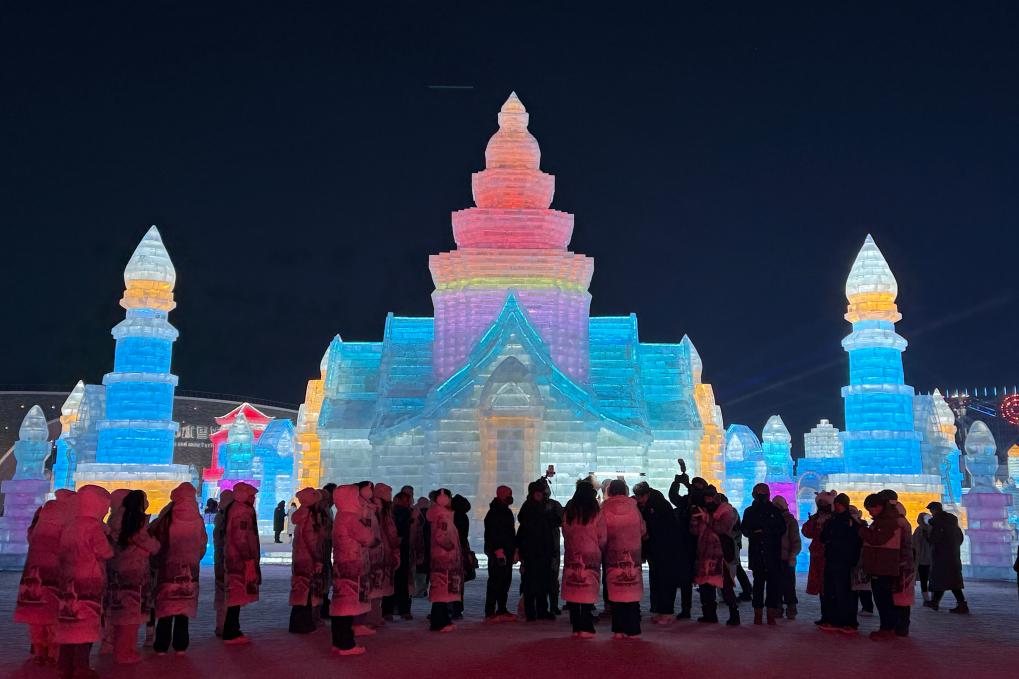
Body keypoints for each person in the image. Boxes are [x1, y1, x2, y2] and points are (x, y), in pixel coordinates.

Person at [53, 485, 113, 679]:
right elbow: (106, 552)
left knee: (69, 624)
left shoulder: (69, 525)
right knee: (86, 625)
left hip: (68, 579)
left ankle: (64, 665)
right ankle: (81, 667)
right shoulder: (93, 527)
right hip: (89, 580)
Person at [151, 482, 207, 655]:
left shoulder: (168, 515)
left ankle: (161, 645)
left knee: (166, 607)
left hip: (168, 569)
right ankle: (181, 644)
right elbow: (202, 544)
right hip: (190, 570)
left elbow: (156, 536)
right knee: (184, 608)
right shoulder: (197, 519)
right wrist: (194, 559)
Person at [106, 490, 160, 664]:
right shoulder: (136, 524)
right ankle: (126, 651)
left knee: (120, 613)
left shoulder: (114, 521)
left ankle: (118, 647)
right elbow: (152, 546)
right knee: (131, 616)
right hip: (135, 573)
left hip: (117, 572)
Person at [14, 499, 66, 665]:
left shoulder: (36, 532)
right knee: (52, 619)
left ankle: (39, 652)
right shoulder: (61, 532)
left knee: (36, 621)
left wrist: (36, 519)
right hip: (52, 582)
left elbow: (30, 533)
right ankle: (52, 652)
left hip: (33, 580)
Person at [330, 484, 376, 656]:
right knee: (348, 605)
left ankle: (338, 641)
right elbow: (367, 537)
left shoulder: (341, 516)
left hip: (342, 563)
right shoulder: (350, 518)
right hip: (353, 563)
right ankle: (346, 644)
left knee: (341, 602)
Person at [858, 493, 908, 640]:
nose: (869, 512)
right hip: (880, 564)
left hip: (883, 565)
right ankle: (888, 626)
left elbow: (877, 539)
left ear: (879, 506)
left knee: (884, 599)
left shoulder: (888, 521)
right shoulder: (884, 520)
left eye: (871, 509)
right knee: (882, 598)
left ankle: (887, 628)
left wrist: (862, 529)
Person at [635, 483, 685, 625]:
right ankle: (660, 610)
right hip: (657, 550)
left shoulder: (658, 505)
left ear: (647, 494)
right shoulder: (653, 505)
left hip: (665, 549)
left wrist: (647, 536)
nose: (639, 500)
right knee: (657, 580)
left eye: (641, 497)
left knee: (664, 580)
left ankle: (666, 611)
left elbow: (661, 529)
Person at [561, 479, 606, 638]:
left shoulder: (569, 512)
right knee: (588, 587)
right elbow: (602, 536)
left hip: (572, 553)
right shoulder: (596, 512)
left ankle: (576, 624)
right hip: (591, 554)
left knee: (574, 587)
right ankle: (586, 625)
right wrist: (599, 547)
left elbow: (565, 532)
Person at [690, 485, 740, 625]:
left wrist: (706, 518)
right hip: (704, 553)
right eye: (706, 498)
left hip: (720, 555)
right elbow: (694, 531)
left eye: (710, 497)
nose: (708, 500)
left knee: (726, 586)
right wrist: (695, 519)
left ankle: (734, 615)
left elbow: (722, 529)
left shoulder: (726, 511)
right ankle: (709, 615)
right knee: (705, 586)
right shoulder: (703, 510)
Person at [603, 479, 645, 639]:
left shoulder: (604, 508)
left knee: (616, 592)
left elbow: (601, 532)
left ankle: (618, 629)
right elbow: (642, 529)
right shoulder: (634, 508)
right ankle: (633, 628)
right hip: (633, 555)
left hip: (613, 555)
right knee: (632, 591)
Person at [741, 483, 787, 625]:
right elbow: (745, 529)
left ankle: (770, 614)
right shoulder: (750, 511)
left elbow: (782, 529)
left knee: (772, 586)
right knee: (758, 585)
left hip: (772, 553)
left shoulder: (774, 511)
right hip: (758, 553)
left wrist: (766, 532)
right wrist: (755, 533)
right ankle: (758, 614)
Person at [819, 493, 862, 635]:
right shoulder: (832, 520)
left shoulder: (851, 522)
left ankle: (848, 621)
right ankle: (833, 619)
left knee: (845, 592)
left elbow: (855, 541)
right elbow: (823, 537)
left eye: (840, 504)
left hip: (845, 561)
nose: (837, 507)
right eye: (836, 504)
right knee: (831, 591)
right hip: (832, 559)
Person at [223, 482, 260, 645]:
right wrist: (248, 559)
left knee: (236, 595)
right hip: (239, 560)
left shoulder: (234, 509)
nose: (254, 499)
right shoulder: (242, 512)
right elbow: (240, 538)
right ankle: (231, 631)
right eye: (252, 496)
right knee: (237, 595)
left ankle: (233, 629)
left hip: (235, 558)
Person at [516, 480, 559, 621]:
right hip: (532, 551)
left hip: (542, 550)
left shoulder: (541, 507)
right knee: (531, 582)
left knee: (542, 582)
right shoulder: (531, 508)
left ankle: (541, 610)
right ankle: (531, 611)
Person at [427, 488, 463, 632]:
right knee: (442, 590)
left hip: (443, 557)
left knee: (442, 590)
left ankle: (443, 620)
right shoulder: (443, 517)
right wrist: (450, 547)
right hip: (444, 559)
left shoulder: (443, 515)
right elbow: (441, 536)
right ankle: (439, 622)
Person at [289, 487, 324, 633]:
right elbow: (311, 540)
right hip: (308, 559)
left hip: (300, 558)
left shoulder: (302, 516)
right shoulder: (310, 517)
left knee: (300, 590)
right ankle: (303, 623)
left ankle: (297, 622)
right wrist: (317, 558)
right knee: (306, 591)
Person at [925, 501, 967, 613]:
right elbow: (960, 539)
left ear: (934, 510)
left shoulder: (938, 524)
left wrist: (926, 535)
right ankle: (936, 602)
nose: (931, 512)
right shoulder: (953, 524)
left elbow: (934, 539)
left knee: (942, 580)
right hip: (953, 556)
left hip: (941, 557)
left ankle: (960, 604)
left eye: (931, 510)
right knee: (951, 581)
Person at [801, 490, 836, 625]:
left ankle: (831, 616)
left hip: (831, 556)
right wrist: (813, 521)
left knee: (830, 587)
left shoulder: (835, 518)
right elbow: (807, 532)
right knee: (822, 588)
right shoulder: (816, 518)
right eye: (820, 504)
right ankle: (825, 616)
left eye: (824, 504)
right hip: (817, 556)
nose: (822, 506)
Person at [483, 485, 517, 621]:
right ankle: (491, 611)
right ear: (502, 495)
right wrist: (498, 550)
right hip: (499, 553)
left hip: (505, 552)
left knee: (504, 581)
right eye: (509, 494)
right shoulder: (496, 512)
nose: (511, 496)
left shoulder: (503, 511)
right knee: (496, 581)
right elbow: (493, 533)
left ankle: (501, 608)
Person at [773, 496, 801, 619]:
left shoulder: (790, 521)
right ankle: (778, 607)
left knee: (788, 585)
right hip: (775, 558)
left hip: (787, 558)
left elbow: (796, 541)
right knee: (776, 585)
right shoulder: (773, 519)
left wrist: (793, 554)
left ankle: (791, 608)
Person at [375, 484, 401, 622]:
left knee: (376, 584)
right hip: (384, 551)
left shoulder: (374, 509)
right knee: (380, 584)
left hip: (378, 550)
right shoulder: (384, 511)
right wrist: (395, 546)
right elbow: (391, 532)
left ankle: (376, 614)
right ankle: (376, 615)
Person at [388, 491, 416, 620]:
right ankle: (403, 609)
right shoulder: (406, 513)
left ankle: (390, 609)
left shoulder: (391, 512)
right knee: (402, 581)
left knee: (393, 580)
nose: (407, 502)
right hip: (402, 549)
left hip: (395, 548)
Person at [212, 489, 234, 637]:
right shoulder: (227, 517)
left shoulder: (219, 517)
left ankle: (220, 625)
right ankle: (225, 626)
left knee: (221, 594)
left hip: (219, 560)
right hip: (227, 561)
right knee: (227, 594)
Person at [450, 493, 474, 620]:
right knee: (458, 582)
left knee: (452, 581)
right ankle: (457, 608)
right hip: (461, 550)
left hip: (454, 552)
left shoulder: (453, 517)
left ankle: (453, 608)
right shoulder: (464, 517)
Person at [318, 482, 337, 619]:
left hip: (325, 551)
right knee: (322, 580)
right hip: (320, 551)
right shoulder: (322, 511)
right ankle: (322, 608)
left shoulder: (328, 510)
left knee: (326, 579)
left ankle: (323, 606)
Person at [912, 512, 933, 604]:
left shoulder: (919, 530)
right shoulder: (931, 529)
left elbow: (913, 544)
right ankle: (931, 599)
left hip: (922, 560)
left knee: (924, 580)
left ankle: (927, 599)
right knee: (930, 579)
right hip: (929, 559)